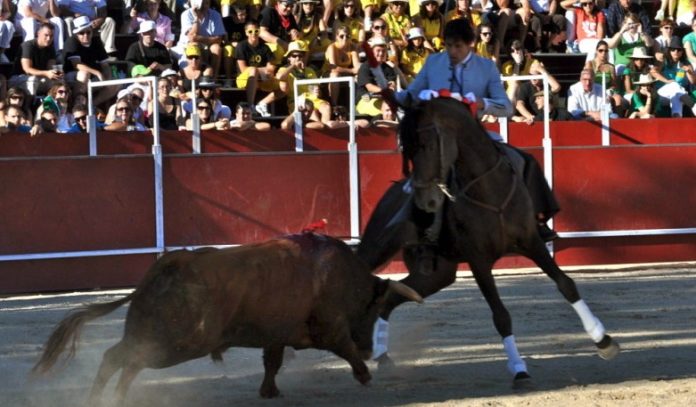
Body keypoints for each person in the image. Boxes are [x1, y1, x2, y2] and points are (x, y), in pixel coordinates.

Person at [391, 18, 560, 275]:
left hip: (473, 138)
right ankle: (424, 240)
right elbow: (411, 95)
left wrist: (481, 103)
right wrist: (393, 95)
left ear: (470, 44)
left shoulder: (486, 68)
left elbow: (506, 106)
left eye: (457, 46)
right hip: (438, 141)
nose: (452, 52)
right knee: (424, 180)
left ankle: (537, 222)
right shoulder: (433, 63)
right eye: (448, 46)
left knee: (524, 161)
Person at [63, 16, 118, 106]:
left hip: (92, 77)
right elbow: (77, 65)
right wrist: (97, 73)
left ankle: (90, 106)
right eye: (82, 33)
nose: (86, 35)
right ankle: (77, 105)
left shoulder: (96, 41)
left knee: (115, 83)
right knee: (84, 74)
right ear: (76, 34)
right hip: (74, 76)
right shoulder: (71, 41)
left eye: (88, 32)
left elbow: (105, 65)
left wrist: (107, 79)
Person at [235, 21, 282, 117]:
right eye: (250, 31)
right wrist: (261, 70)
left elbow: (271, 68)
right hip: (243, 79)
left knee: (284, 85)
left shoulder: (265, 47)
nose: (253, 34)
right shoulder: (241, 46)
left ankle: (262, 104)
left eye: (256, 31)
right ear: (246, 33)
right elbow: (243, 69)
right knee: (253, 70)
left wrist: (261, 72)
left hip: (263, 79)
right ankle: (250, 106)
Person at [357, 37, 407, 116]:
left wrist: (392, 87)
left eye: (383, 51)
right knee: (386, 112)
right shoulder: (365, 67)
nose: (381, 53)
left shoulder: (387, 68)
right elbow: (369, 87)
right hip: (367, 101)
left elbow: (392, 82)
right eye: (378, 51)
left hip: (385, 99)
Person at [175, 0, 225, 77]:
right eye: (202, 3)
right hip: (187, 46)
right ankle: (195, 79)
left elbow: (219, 39)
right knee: (194, 45)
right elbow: (191, 37)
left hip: (207, 46)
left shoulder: (215, 15)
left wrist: (199, 38)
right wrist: (197, 18)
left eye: (207, 3)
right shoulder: (186, 14)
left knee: (216, 48)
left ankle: (213, 79)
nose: (204, 6)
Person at [8, 23, 61, 96]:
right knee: (33, 80)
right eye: (46, 35)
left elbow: (50, 68)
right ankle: (29, 105)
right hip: (19, 77)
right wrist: (46, 73)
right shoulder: (28, 45)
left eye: (51, 36)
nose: (49, 38)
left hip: (38, 78)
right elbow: (27, 70)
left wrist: (55, 73)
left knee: (58, 82)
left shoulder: (50, 48)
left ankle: (51, 105)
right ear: (38, 33)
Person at [651, 38, 696, 117]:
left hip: (677, 95)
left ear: (682, 52)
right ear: (669, 51)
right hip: (662, 94)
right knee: (674, 85)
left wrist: (689, 72)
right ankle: (693, 105)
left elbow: (692, 81)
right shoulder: (664, 61)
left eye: (679, 50)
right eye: (673, 50)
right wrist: (667, 81)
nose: (676, 52)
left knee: (675, 93)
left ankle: (677, 116)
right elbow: (653, 72)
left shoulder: (685, 63)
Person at [322, 25, 360, 105]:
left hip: (345, 74)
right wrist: (351, 70)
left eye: (347, 36)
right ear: (336, 37)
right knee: (335, 75)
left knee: (359, 77)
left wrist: (354, 71)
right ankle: (334, 104)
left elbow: (357, 67)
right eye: (341, 36)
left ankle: (355, 105)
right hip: (328, 73)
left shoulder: (352, 47)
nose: (345, 38)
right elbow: (333, 67)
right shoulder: (332, 47)